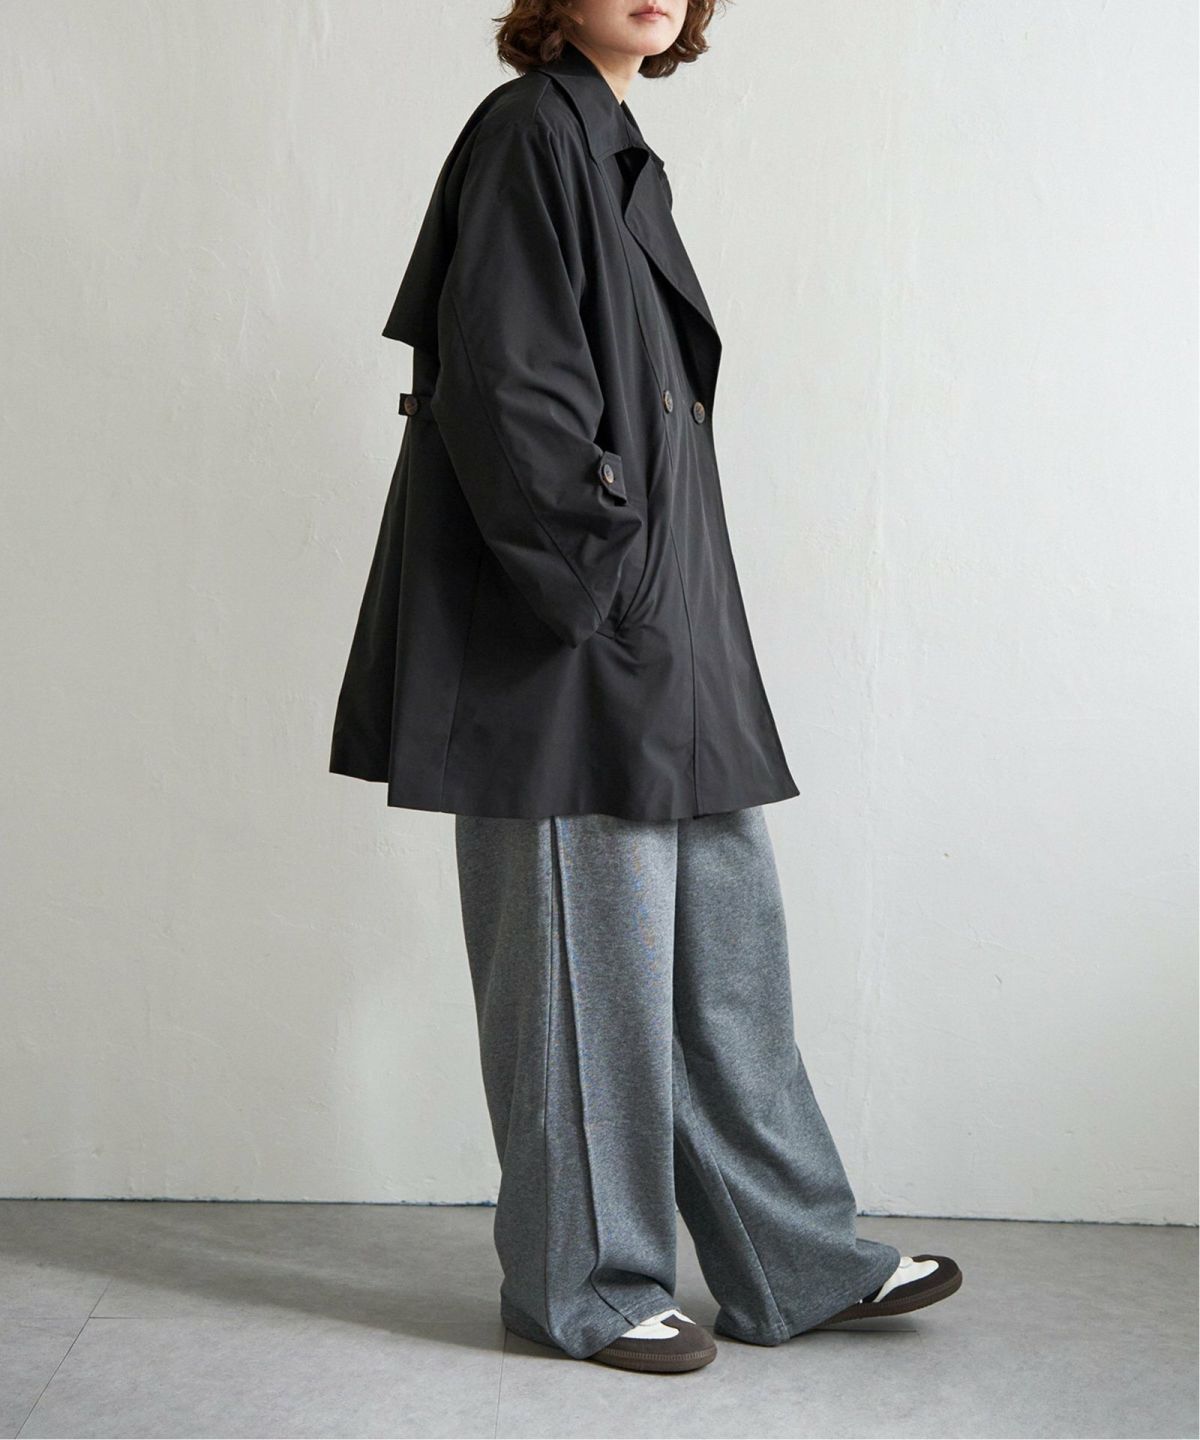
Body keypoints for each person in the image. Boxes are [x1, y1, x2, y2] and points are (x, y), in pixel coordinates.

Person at [330, 0, 961, 1374]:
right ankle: (589, 1289)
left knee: (721, 963)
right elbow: (508, 384)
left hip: (658, 634)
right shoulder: (528, 134)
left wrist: (646, 595)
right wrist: (600, 576)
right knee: (582, 977)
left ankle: (794, 1261)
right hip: (563, 640)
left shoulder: (616, 148)